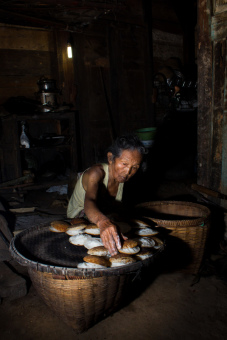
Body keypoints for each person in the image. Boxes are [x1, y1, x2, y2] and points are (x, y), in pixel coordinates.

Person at [67, 133, 147, 256]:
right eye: (124, 164)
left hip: (104, 213)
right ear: (110, 158)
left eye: (135, 167)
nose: (128, 172)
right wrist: (104, 222)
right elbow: (90, 201)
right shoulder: (96, 173)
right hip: (79, 218)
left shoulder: (121, 177)